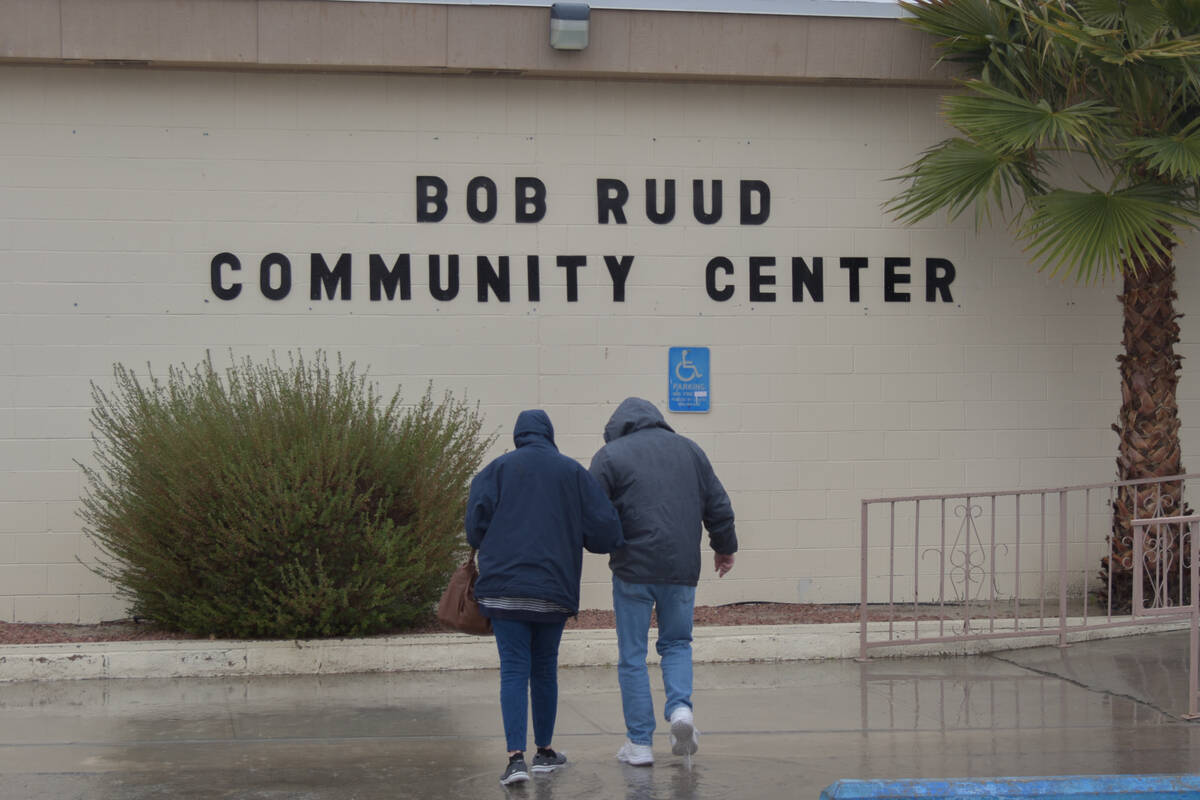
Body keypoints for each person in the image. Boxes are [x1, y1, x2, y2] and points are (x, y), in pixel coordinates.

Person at [466, 409, 624, 786]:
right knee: (544, 668)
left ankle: (515, 759)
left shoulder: (496, 470)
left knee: (514, 669)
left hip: (504, 592)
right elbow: (605, 529)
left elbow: (475, 529)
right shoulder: (571, 473)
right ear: (549, 435)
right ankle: (545, 753)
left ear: (519, 436)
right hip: (553, 592)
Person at [588, 397, 736, 766]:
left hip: (632, 570)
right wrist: (724, 547)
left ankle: (639, 744)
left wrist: (605, 543)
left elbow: (590, 511)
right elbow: (718, 504)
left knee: (633, 657)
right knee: (677, 643)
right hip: (681, 569)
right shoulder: (691, 451)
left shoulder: (610, 457)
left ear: (618, 427)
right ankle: (682, 711)